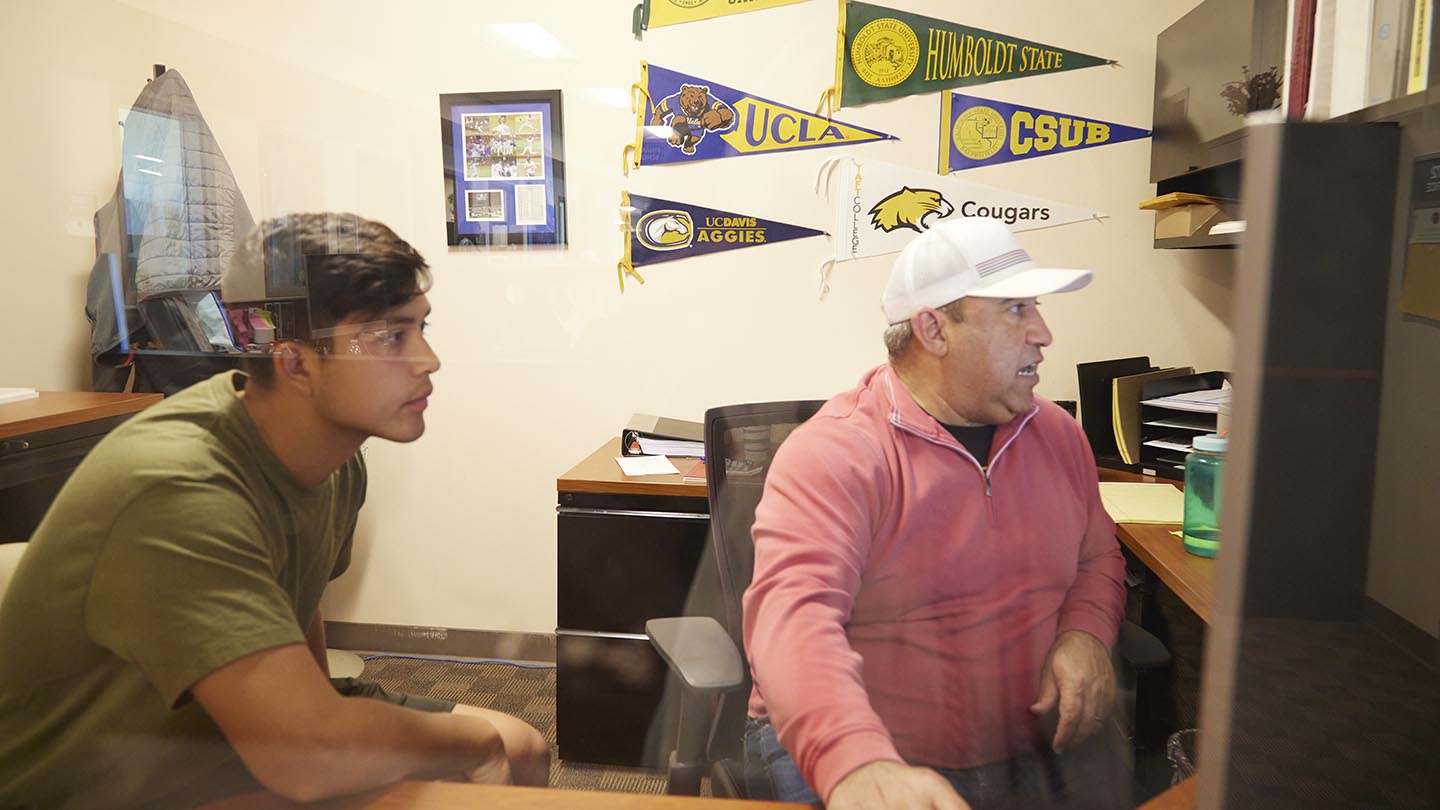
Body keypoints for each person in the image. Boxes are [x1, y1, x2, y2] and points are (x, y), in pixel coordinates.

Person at [0, 213, 549, 809]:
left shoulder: (336, 454)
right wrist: (467, 742)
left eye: (421, 328)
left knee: (522, 744)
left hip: (224, 727)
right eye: (393, 337)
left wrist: (321, 714)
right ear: (295, 364)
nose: (429, 360)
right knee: (473, 754)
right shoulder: (176, 484)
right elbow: (303, 760)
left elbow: (296, 598)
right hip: (101, 776)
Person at [741, 217, 1130, 810]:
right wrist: (859, 765)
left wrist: (1086, 633)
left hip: (1027, 746)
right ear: (933, 328)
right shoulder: (838, 453)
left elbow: (1098, 555)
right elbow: (793, 619)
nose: (1044, 332)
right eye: (1016, 309)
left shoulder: (1056, 433)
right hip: (868, 754)